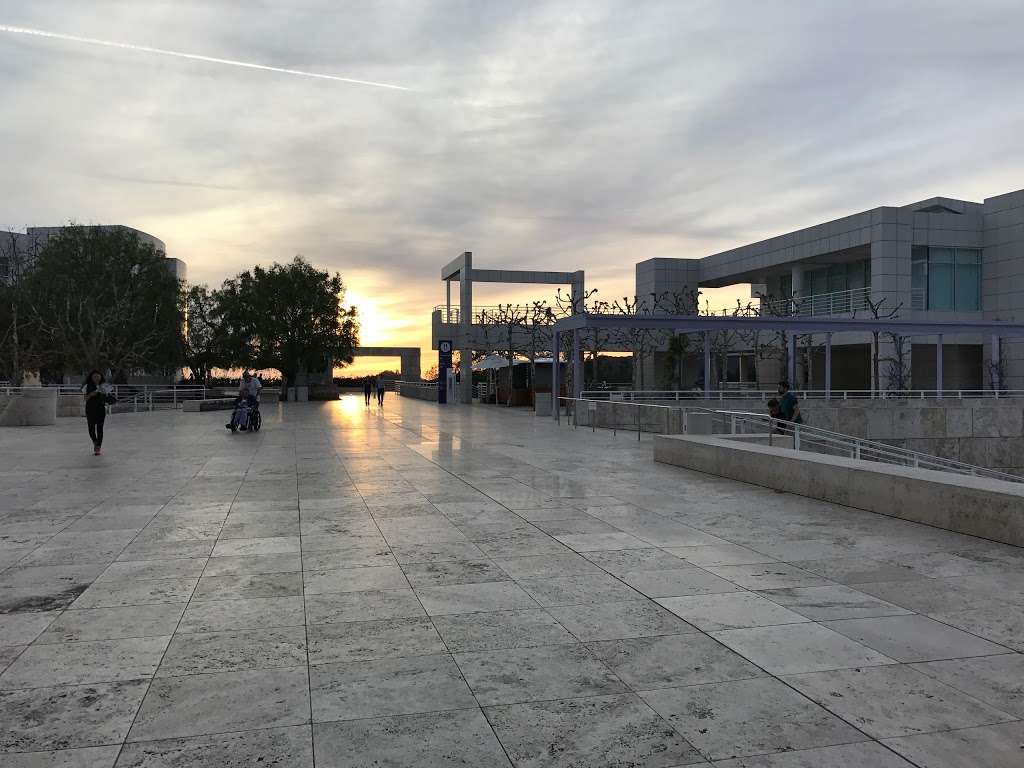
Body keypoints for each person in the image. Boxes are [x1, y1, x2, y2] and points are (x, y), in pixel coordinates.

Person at [81, 370, 109, 455]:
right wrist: (91, 394)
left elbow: (108, 397)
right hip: (90, 409)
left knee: (100, 428)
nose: (96, 378)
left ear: (101, 377)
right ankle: (95, 442)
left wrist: (105, 394)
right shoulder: (87, 386)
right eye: (94, 376)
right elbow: (85, 398)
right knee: (91, 428)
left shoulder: (104, 386)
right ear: (91, 377)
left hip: (101, 409)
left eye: (98, 376)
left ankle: (98, 447)